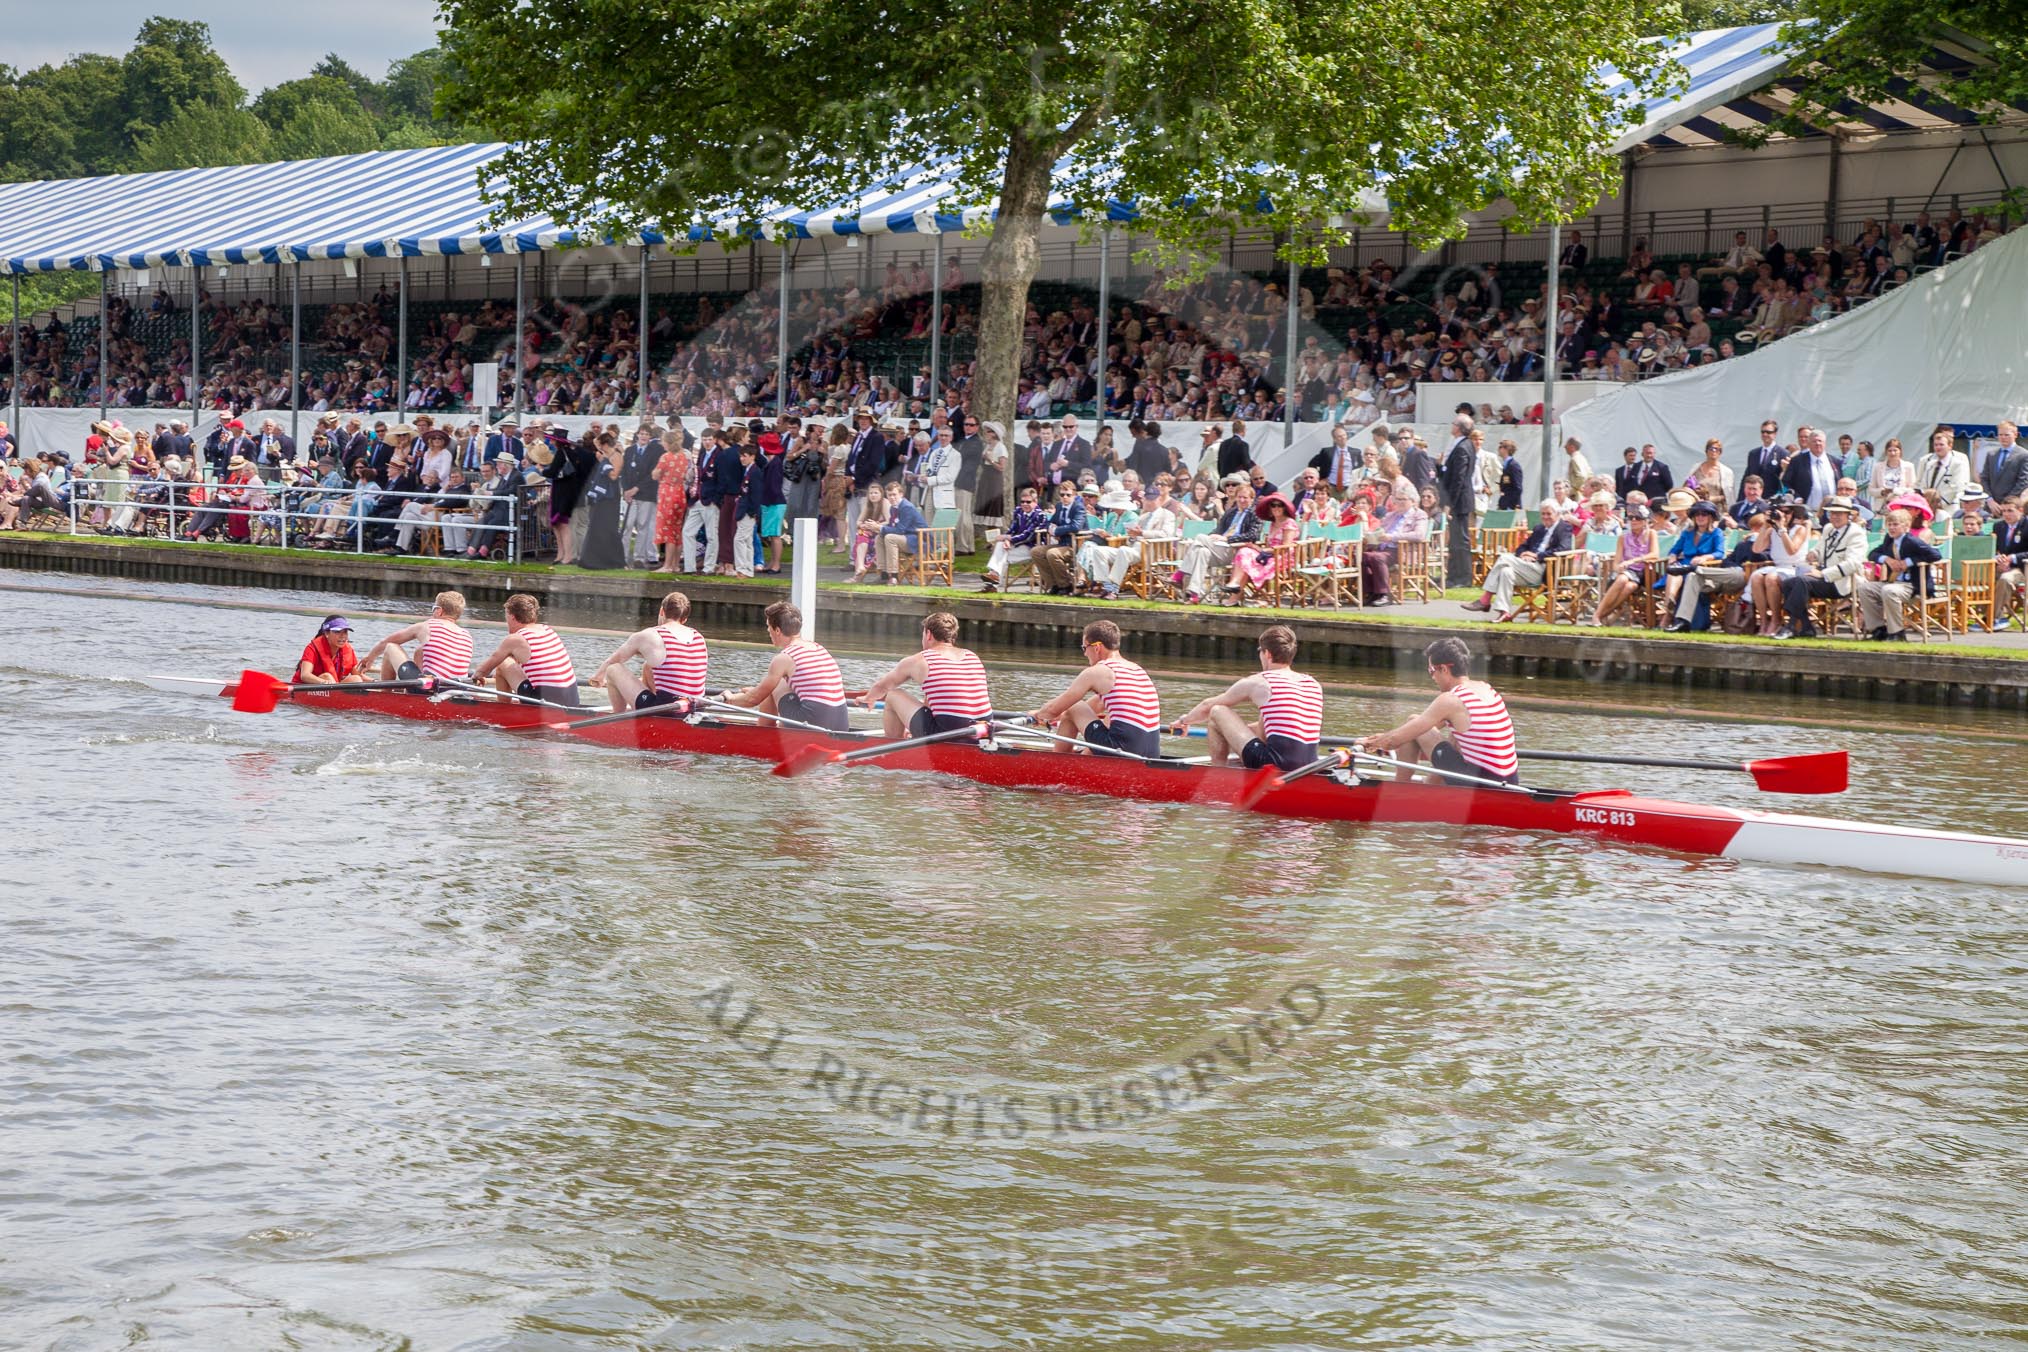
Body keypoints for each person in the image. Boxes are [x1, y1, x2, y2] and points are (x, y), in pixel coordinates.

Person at [1358, 636, 1518, 785]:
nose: (1432, 677)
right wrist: (1385, 738)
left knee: (1414, 720)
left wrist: (1367, 745)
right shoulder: (1486, 688)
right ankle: (1428, 790)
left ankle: (1398, 791)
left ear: (1444, 669)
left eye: (1431, 671)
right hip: (1509, 784)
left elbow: (1394, 740)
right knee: (1453, 737)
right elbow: (1414, 732)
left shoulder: (1451, 700)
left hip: (1483, 786)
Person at [1172, 624, 1321, 770]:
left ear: (1267, 653)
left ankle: (1217, 778)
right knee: (1265, 715)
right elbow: (1279, 728)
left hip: (1273, 765)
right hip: (1309, 766)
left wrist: (1184, 721)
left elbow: (1207, 706)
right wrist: (1230, 732)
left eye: (1260, 651)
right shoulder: (1312, 683)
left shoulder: (1260, 682)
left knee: (1217, 711)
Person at [1026, 619, 1164, 758]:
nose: (1085, 654)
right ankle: (1083, 759)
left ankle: (1059, 765)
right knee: (1109, 719)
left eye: (1084, 648)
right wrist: (1052, 716)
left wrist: (1038, 715)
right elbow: (1093, 707)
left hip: (1121, 749)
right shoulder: (1136, 669)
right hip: (1151, 754)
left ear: (1097, 647)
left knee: (1075, 707)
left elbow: (1054, 709)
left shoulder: (1099, 671)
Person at [720, 601, 850, 731]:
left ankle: (763, 735)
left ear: (777, 630)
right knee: (773, 686)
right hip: (841, 724)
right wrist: (757, 691)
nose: (767, 630)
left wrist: (730, 699)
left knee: (774, 686)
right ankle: (779, 729)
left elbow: (754, 699)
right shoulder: (818, 648)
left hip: (812, 721)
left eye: (768, 626)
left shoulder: (784, 658)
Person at [860, 610, 992, 739]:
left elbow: (882, 687)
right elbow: (940, 699)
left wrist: (868, 699)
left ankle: (895, 749)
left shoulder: (921, 660)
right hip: (983, 731)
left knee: (893, 694)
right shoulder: (972, 656)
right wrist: (915, 727)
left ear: (928, 634)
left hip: (947, 734)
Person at [588, 591, 708, 711]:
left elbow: (613, 660)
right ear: (684, 619)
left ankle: (618, 720)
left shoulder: (649, 635)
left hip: (665, 709)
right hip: (695, 707)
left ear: (662, 611)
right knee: (648, 666)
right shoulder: (698, 637)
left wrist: (598, 678)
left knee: (613, 669)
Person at [1776, 494, 1867, 639]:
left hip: (1842, 582)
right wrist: (1813, 554)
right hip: (1824, 577)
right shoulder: (1828, 528)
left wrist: (1823, 574)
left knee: (1801, 581)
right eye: (1833, 513)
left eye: (1839, 513)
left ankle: (1791, 626)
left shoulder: (1856, 533)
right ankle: (1805, 626)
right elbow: (1820, 549)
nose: (1835, 517)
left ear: (1848, 515)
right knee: (1788, 584)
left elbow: (1853, 563)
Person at [1462, 503, 1572, 622]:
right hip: (1527, 567)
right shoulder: (1539, 528)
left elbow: (1564, 549)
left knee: (1504, 558)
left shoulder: (1564, 528)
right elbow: (1522, 547)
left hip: (1546, 569)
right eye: (1543, 514)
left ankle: (1485, 600)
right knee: (1506, 571)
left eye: (1549, 514)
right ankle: (1504, 612)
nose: (1545, 517)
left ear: (1557, 514)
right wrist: (1523, 555)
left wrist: (1537, 556)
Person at [474, 593, 581, 706]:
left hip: (545, 703)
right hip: (572, 700)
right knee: (509, 665)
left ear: (512, 617)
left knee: (502, 664)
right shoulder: (547, 630)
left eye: (506, 616)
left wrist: (476, 676)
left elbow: (483, 671)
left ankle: (503, 711)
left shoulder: (515, 639)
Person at [1855, 507, 1942, 640]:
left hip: (1911, 584)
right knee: (1865, 588)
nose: (1891, 528)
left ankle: (1897, 632)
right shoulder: (1889, 541)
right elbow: (1872, 554)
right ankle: (1878, 629)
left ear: (1906, 526)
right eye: (1889, 524)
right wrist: (1887, 559)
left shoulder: (1912, 541)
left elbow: (1935, 555)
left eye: (1895, 524)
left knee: (1889, 591)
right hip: (1893, 581)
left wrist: (1909, 561)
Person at [359, 591, 475, 682]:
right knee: (419, 651)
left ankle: (385, 694)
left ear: (439, 611)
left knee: (391, 647)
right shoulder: (467, 635)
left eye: (433, 609)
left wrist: (370, 659)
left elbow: (385, 642)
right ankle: (409, 692)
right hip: (457, 687)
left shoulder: (427, 626)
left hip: (433, 687)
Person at [982, 484, 1046, 591]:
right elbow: (1012, 529)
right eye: (1022, 502)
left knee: (1001, 553)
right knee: (1001, 548)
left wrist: (1009, 539)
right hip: (1017, 546)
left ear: (1035, 502)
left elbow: (1028, 536)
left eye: (1028, 502)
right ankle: (993, 579)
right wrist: (1007, 540)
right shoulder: (1018, 511)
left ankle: (992, 581)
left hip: (1033, 548)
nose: (1024, 504)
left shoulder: (1040, 515)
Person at [875, 479, 929, 583]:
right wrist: (878, 527)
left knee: (890, 538)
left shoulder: (906, 507)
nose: (892, 497)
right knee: (879, 537)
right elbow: (893, 525)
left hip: (919, 539)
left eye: (894, 494)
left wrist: (880, 528)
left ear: (901, 494)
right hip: (906, 537)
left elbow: (899, 530)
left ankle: (894, 576)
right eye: (889, 495)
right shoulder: (893, 507)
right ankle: (884, 573)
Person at [295, 615, 366, 684]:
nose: (342, 636)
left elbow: (358, 674)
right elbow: (305, 675)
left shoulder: (348, 649)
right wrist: (325, 682)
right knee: (327, 676)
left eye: (345, 632)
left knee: (356, 679)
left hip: (333, 687)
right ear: (327, 633)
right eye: (337, 632)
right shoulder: (312, 648)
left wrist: (374, 681)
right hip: (306, 688)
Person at [1993, 497, 2028, 627]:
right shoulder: (1998, 526)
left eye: (2010, 511)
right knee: (1980, 576)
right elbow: (1994, 548)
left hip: (2021, 567)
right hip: (2000, 566)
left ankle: (1995, 618)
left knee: (2005, 579)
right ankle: (1985, 616)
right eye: (2004, 511)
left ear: (2020, 510)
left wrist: (2012, 558)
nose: (2006, 514)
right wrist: (1998, 558)